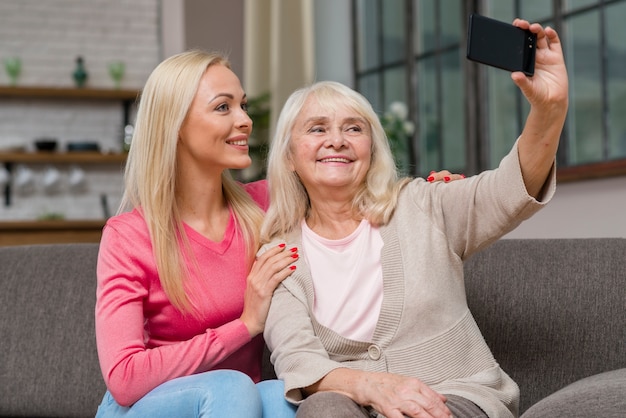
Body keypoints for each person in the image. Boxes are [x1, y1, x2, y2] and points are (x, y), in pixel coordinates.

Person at [259, 19, 568, 418]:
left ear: (371, 147)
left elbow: (510, 191)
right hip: (352, 405)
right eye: (317, 129)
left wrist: (549, 109)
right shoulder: (279, 256)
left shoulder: (424, 206)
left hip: (453, 399)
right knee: (322, 410)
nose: (336, 140)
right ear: (289, 156)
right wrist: (372, 387)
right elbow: (297, 360)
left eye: (353, 128)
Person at [94, 50, 300, 417]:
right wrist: (245, 325)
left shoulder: (265, 204)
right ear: (175, 124)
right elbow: (123, 378)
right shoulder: (128, 236)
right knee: (232, 385)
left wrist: (427, 195)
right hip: (144, 407)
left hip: (238, 403)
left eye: (243, 105)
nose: (245, 120)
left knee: (281, 395)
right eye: (224, 107)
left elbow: (350, 199)